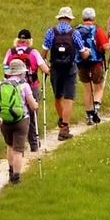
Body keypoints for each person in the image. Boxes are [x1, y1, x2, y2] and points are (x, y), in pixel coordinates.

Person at [0, 61, 39, 184]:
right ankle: (16, 178)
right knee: (18, 150)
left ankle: (10, 171)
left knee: (10, 145)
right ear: (21, 72)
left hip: (4, 120)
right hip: (21, 119)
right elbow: (32, 105)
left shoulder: (0, 84)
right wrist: (36, 104)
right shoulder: (24, 85)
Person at [5, 30, 49, 150]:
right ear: (30, 40)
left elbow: (5, 68)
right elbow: (45, 70)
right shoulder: (33, 52)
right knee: (32, 114)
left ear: (18, 39)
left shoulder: (11, 51)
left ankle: (17, 142)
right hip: (31, 86)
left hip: (14, 87)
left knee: (17, 112)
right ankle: (34, 144)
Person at [43, 8, 80, 139]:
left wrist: (46, 65)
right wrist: (86, 52)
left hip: (55, 68)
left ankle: (62, 120)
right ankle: (64, 127)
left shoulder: (51, 32)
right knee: (69, 98)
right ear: (70, 19)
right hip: (70, 68)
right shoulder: (74, 33)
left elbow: (44, 53)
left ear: (59, 18)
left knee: (58, 97)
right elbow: (82, 51)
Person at [74, 8, 108, 124]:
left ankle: (88, 114)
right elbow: (106, 47)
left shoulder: (76, 31)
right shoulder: (97, 30)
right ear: (93, 18)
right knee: (99, 87)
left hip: (81, 63)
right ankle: (96, 106)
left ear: (83, 18)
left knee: (87, 89)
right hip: (96, 63)